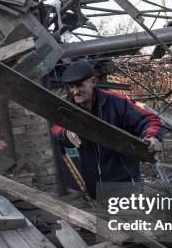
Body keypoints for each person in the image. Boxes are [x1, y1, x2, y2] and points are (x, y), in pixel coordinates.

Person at [51, 59, 164, 199]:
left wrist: (153, 137)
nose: (74, 92)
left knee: (131, 218)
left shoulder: (117, 101)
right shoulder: (67, 106)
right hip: (94, 183)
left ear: (93, 81)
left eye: (79, 85)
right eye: (71, 87)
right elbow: (56, 130)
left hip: (125, 180)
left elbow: (148, 120)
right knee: (104, 219)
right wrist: (66, 132)